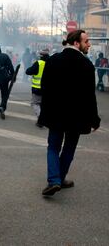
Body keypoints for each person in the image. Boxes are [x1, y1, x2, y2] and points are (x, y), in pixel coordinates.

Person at [38, 30, 100, 196]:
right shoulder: (86, 65)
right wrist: (95, 119)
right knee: (69, 148)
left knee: (53, 146)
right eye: (86, 41)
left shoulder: (53, 60)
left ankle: (54, 180)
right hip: (76, 117)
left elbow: (44, 87)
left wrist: (45, 111)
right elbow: (89, 96)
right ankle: (59, 178)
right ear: (76, 43)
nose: (89, 44)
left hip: (56, 114)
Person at [26, 48, 49, 127]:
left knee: (35, 103)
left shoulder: (38, 63)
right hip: (47, 88)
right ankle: (43, 120)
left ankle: (40, 119)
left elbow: (28, 71)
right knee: (43, 104)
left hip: (37, 87)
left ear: (41, 56)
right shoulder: (51, 63)